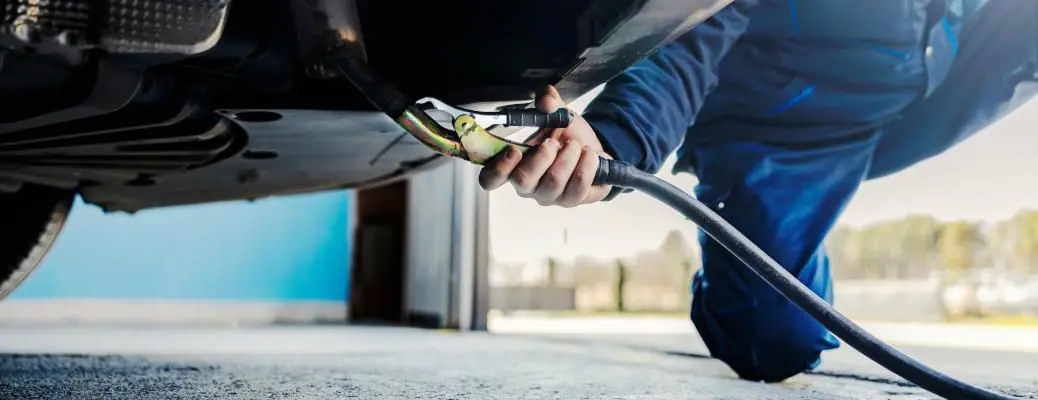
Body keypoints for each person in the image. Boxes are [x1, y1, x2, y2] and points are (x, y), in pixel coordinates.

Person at [478, 0, 1038, 383]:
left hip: (934, 86)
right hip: (781, 135)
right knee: (775, 342)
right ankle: (745, 234)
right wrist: (614, 141)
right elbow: (691, 36)